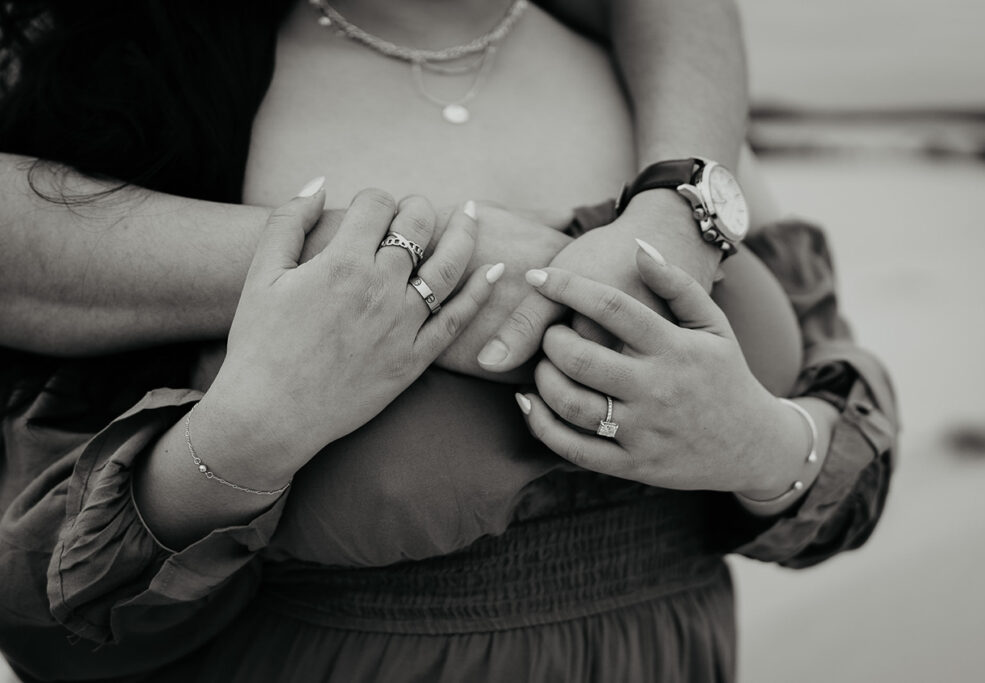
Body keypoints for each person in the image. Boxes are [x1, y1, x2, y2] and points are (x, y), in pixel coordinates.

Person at [0, 1, 897, 681]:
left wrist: (754, 442)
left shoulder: (678, 119)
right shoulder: (170, 110)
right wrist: (253, 433)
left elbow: (846, 467)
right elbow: (58, 626)